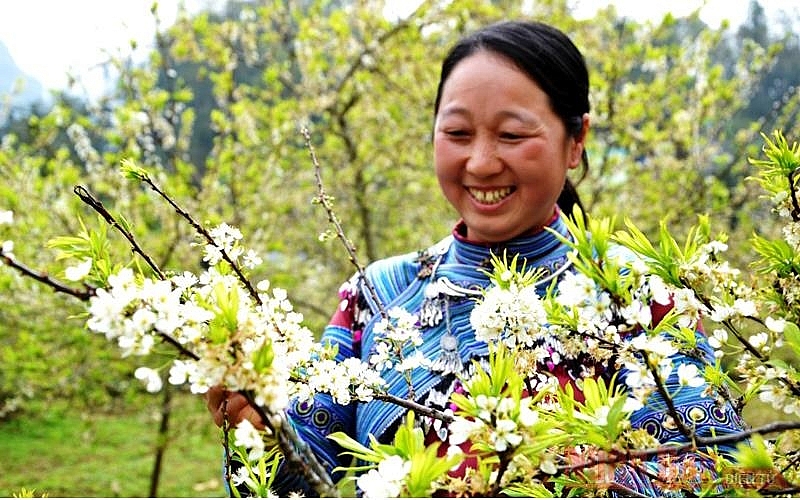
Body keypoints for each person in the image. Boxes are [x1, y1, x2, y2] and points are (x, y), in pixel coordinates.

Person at [206, 20, 746, 496]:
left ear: (576, 140)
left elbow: (718, 470)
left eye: (512, 135)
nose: (482, 163)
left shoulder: (636, 294)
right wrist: (259, 427)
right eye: (458, 133)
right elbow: (295, 481)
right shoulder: (378, 295)